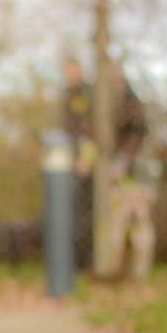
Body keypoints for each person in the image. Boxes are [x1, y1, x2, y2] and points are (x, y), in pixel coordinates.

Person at [108, 64, 155, 281]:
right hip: (123, 174)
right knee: (120, 223)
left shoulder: (129, 104)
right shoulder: (110, 103)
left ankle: (138, 272)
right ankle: (119, 268)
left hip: (132, 176)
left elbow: (136, 137)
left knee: (136, 223)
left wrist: (123, 163)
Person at [62, 57, 97, 269]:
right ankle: (74, 261)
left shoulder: (89, 94)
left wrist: (86, 160)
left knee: (86, 213)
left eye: (70, 70)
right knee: (73, 212)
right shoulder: (68, 94)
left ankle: (86, 262)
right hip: (72, 160)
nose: (67, 76)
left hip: (86, 163)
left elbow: (90, 132)